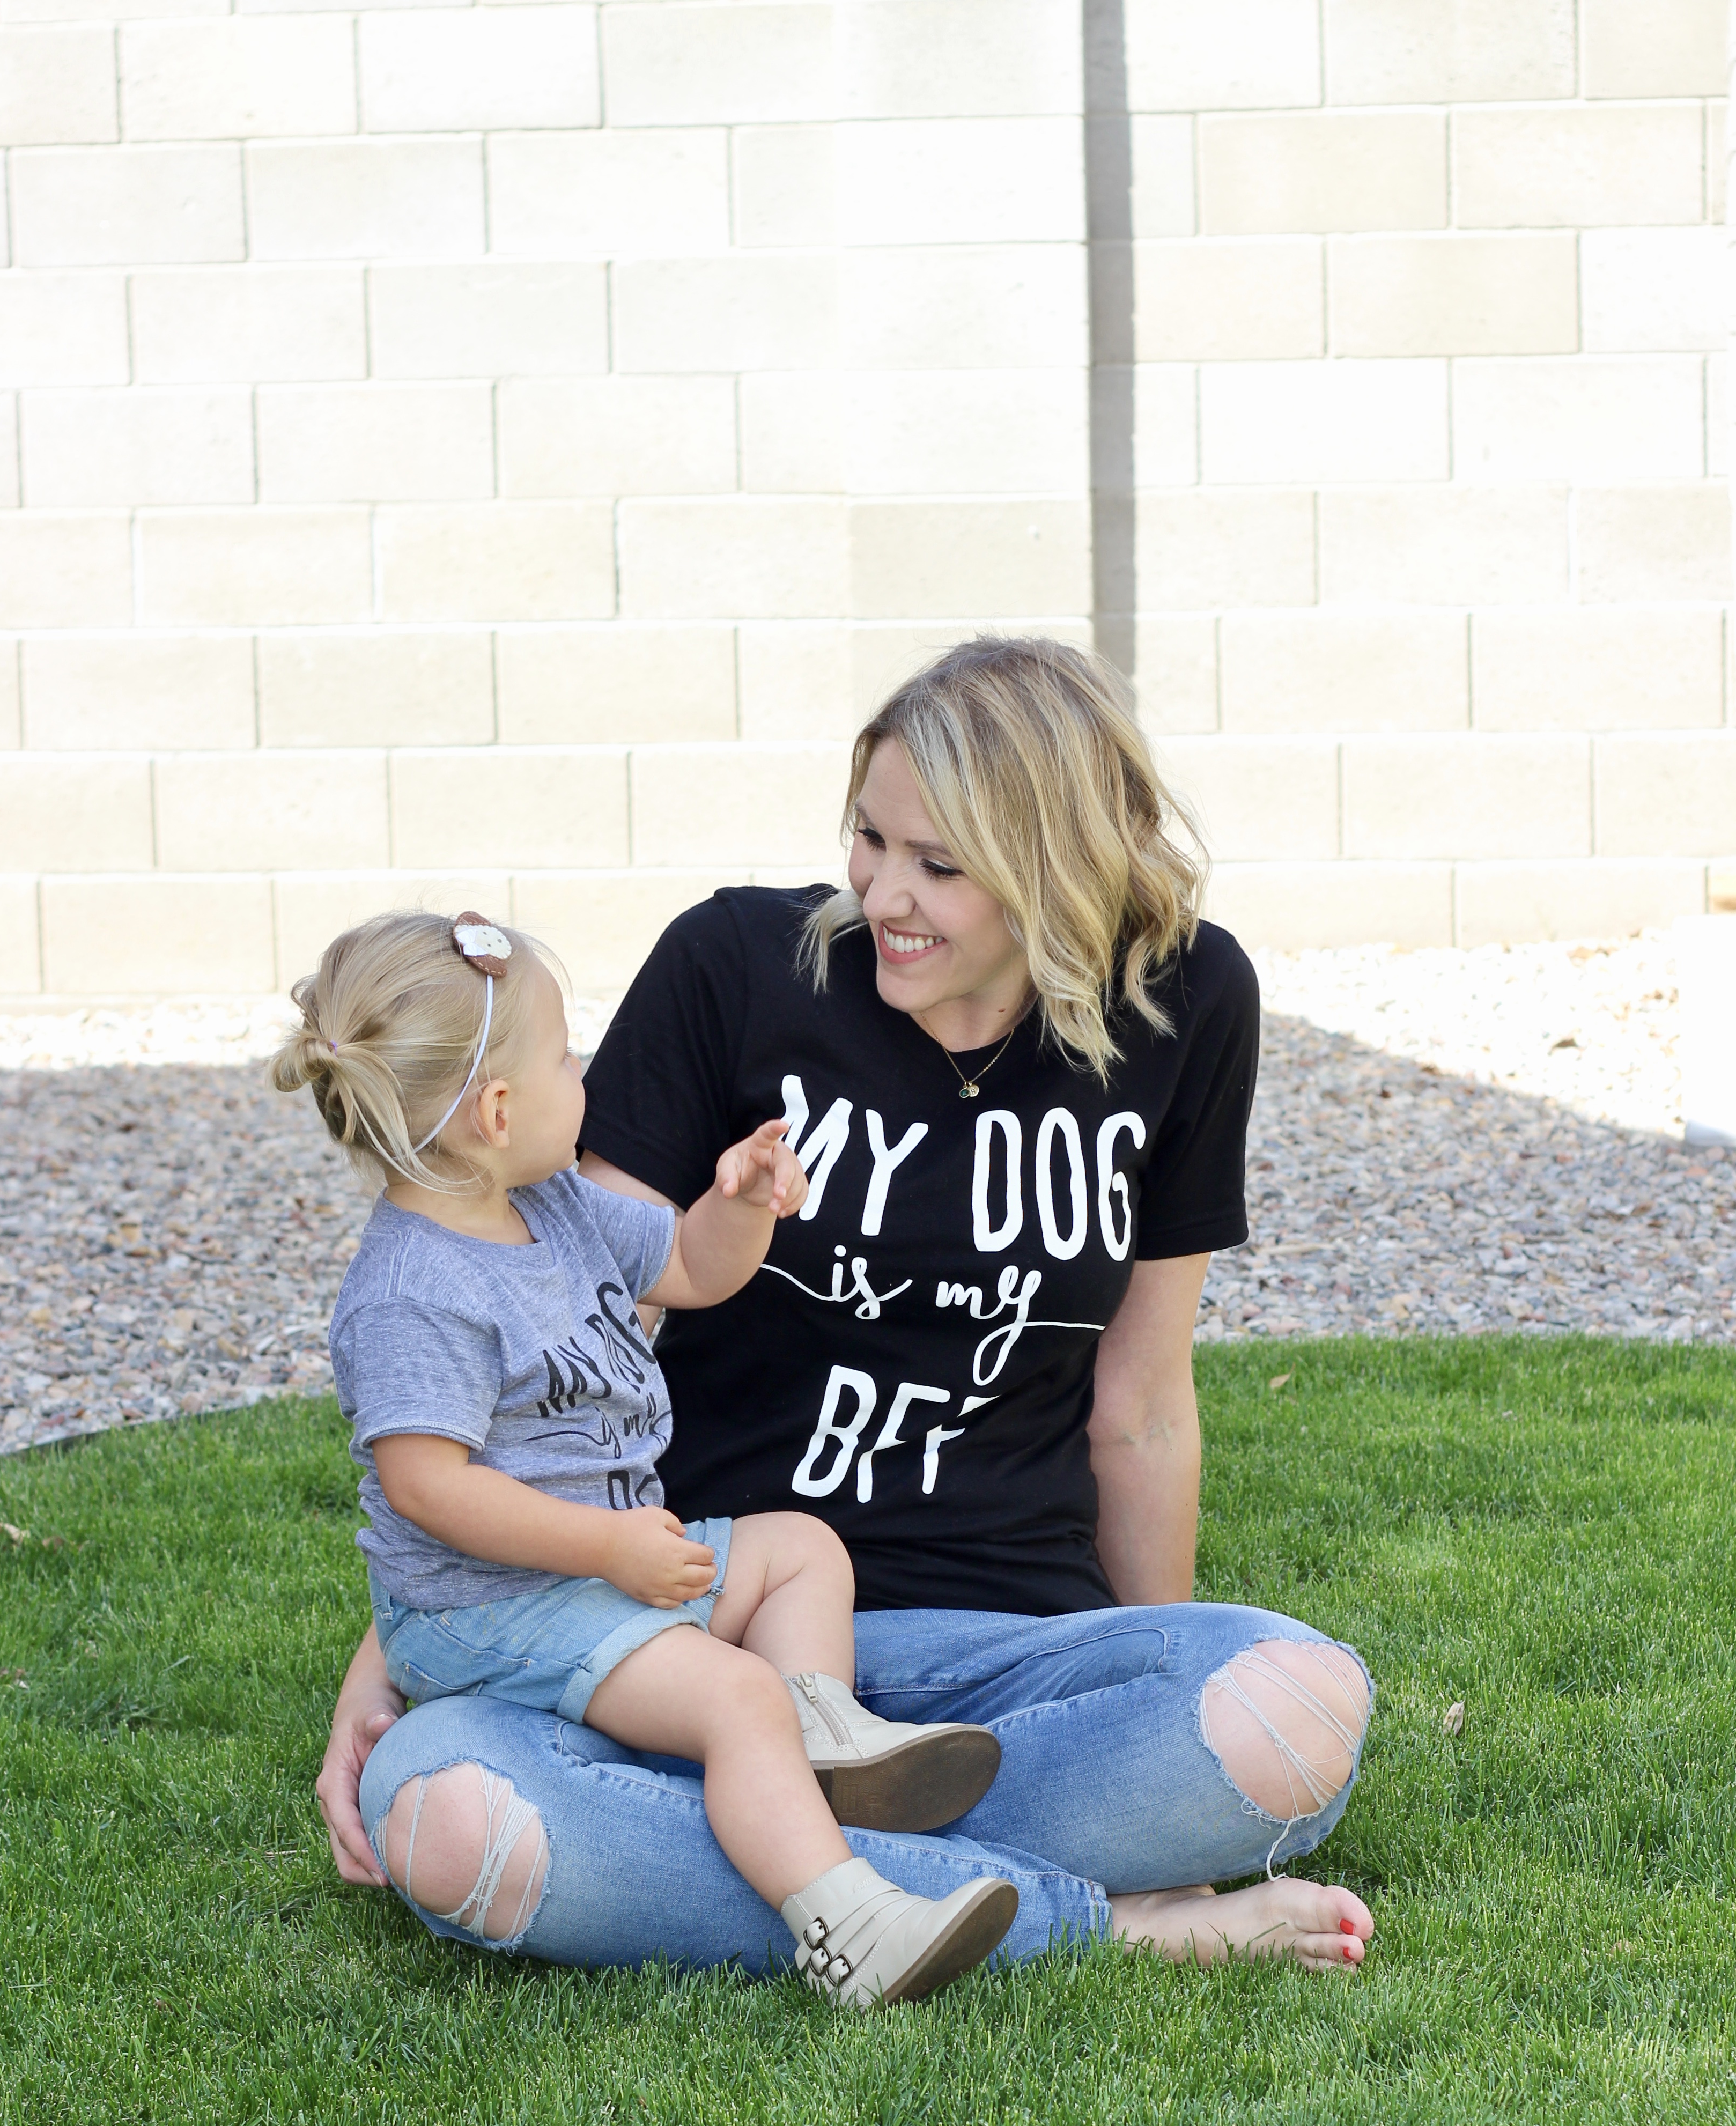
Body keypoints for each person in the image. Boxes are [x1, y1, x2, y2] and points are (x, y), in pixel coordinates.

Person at [316, 636, 1377, 1979]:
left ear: (1057, 874)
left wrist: (1135, 1660)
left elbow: (1147, 1407)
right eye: (869, 840)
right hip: (677, 1623)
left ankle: (819, 1867)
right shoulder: (731, 965)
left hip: (993, 1660)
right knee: (452, 1807)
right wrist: (408, 1634)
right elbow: (551, 1337)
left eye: (940, 866)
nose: (884, 893)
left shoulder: (1188, 1001)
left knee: (1291, 1706)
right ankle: (1095, 1921)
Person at [272, 907, 1016, 2006]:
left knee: (802, 1550)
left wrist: (737, 1202)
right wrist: (607, 1548)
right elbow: (425, 1486)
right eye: (568, 1055)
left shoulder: (553, 1205)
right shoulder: (412, 1292)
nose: (589, 1074)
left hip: (595, 1568)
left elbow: (689, 1267)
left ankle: (823, 1731)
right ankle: (848, 1927)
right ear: (496, 1111)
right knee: (732, 1698)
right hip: (492, 1609)